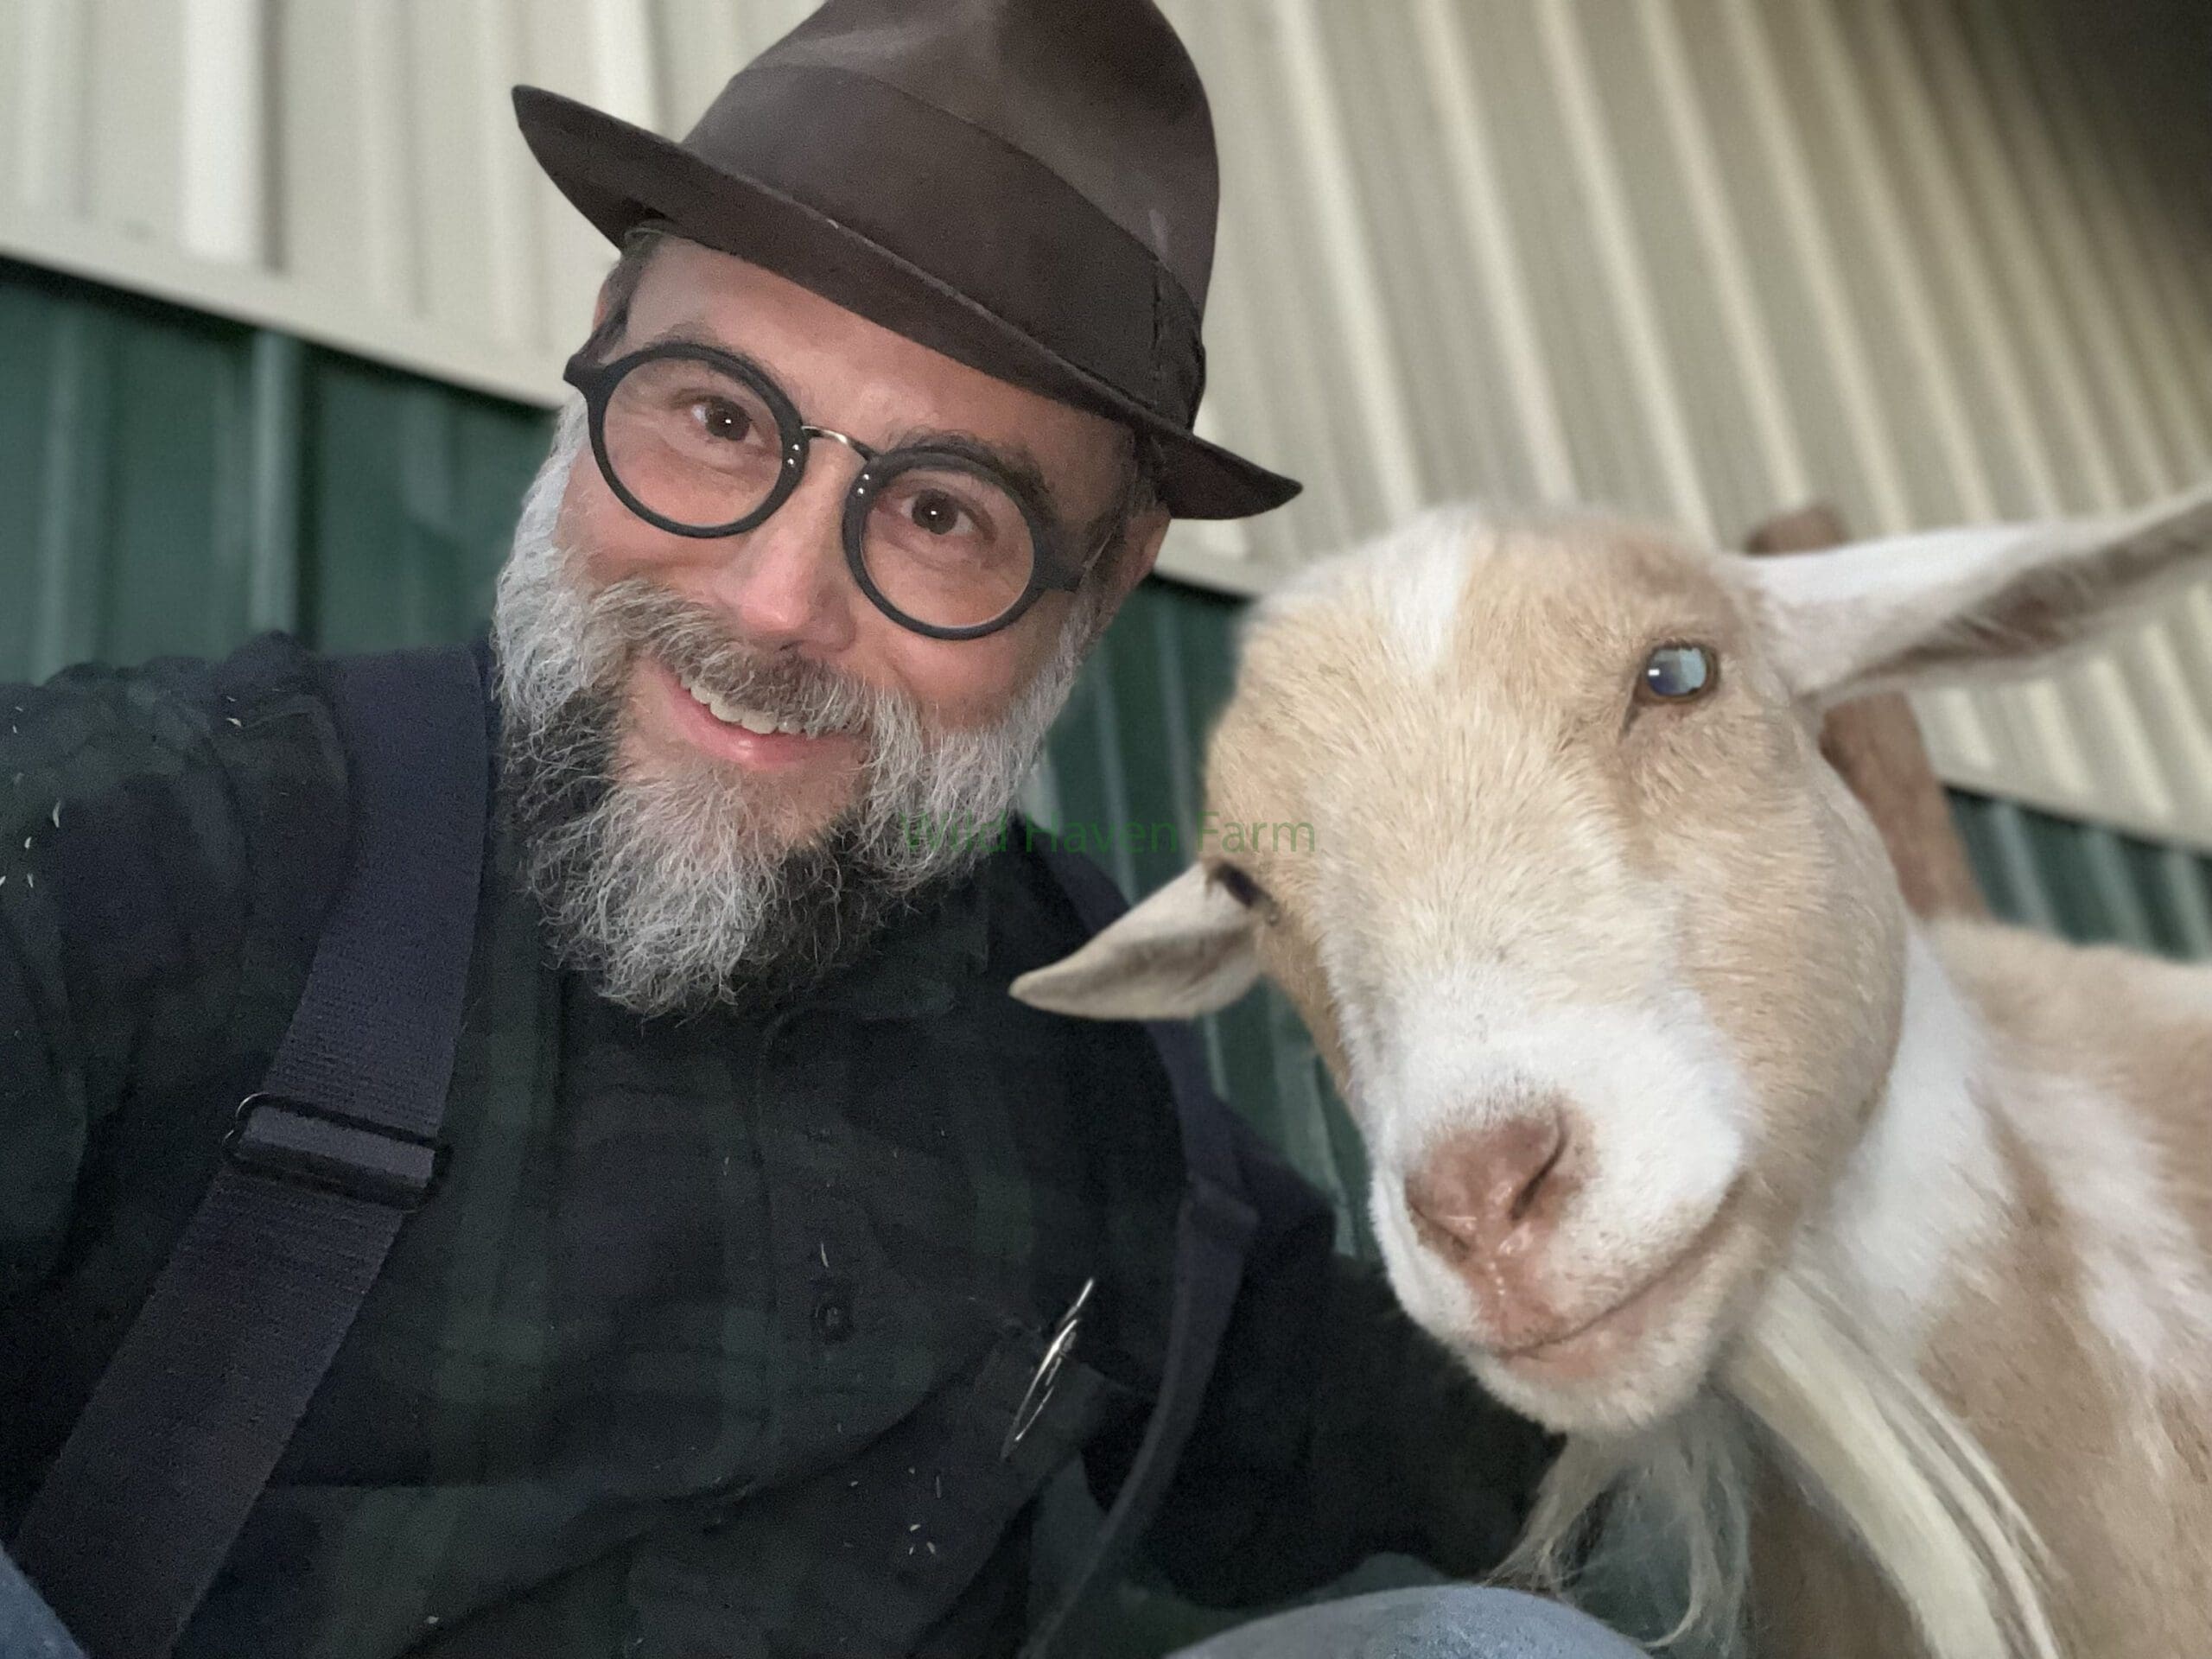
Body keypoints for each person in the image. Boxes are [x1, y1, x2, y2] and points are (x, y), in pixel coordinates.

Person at [0, 3, 1639, 1654]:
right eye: (719, 418)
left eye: (939, 514)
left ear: (1104, 580)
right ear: (600, 347)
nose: (777, 603)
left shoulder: (1089, 1064)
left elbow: (1401, 1436)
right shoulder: (159, 843)